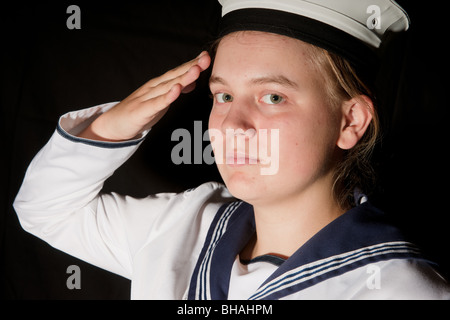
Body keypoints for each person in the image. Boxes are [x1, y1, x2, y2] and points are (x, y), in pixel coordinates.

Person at [13, 0, 450, 299]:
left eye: (272, 96)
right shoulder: (181, 223)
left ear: (350, 121)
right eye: (223, 96)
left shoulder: (399, 289)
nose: (232, 125)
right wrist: (112, 126)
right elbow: (44, 209)